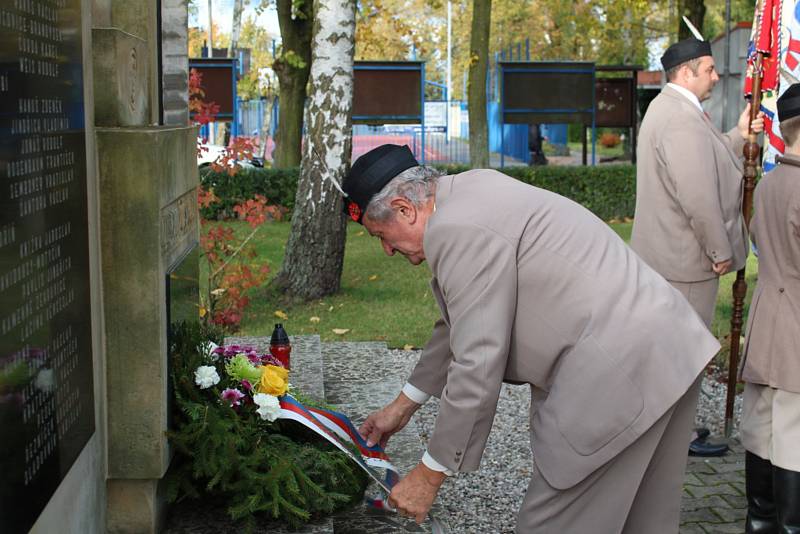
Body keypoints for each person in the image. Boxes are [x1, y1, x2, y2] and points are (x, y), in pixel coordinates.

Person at [345, 143, 721, 532]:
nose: (387, 250)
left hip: (618, 371)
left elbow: (478, 362)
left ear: (405, 209)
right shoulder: (468, 192)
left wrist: (429, 474)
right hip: (669, 348)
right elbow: (460, 321)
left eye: (381, 235)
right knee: (644, 519)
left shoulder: (457, 229)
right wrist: (404, 405)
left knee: (551, 522)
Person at [631, 37, 764, 456]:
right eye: (708, 69)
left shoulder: (673, 109)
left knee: (672, 353)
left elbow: (705, 158)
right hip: (684, 262)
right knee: (682, 356)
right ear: (686, 72)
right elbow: (697, 194)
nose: (715, 76)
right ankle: (674, 439)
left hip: (671, 257)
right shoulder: (681, 118)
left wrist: (738, 133)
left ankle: (674, 432)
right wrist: (719, 249)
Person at [738, 84, 800, 533]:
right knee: (794, 433)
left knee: (762, 425)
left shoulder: (770, 182)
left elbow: (760, 235)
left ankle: (760, 522)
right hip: (796, 320)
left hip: (767, 319)